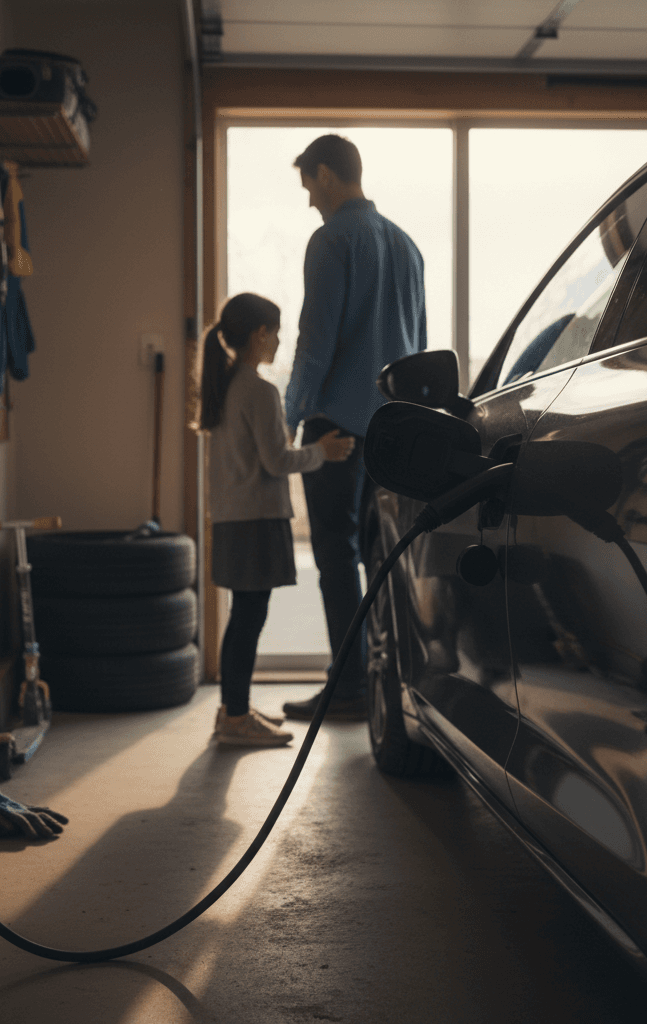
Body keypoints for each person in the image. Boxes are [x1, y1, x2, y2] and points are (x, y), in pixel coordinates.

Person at [282, 134, 427, 722]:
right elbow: (416, 345)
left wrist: (288, 418)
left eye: (309, 188)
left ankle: (345, 691)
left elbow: (316, 342)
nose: (310, 202)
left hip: (335, 431)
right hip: (396, 432)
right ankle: (388, 688)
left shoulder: (332, 239)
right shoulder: (409, 246)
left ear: (326, 175)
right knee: (383, 561)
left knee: (338, 559)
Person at [199, 293, 355, 746]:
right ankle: (234, 719)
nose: (280, 341)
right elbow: (276, 461)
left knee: (244, 615)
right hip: (257, 519)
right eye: (277, 332)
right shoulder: (259, 389)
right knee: (249, 617)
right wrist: (322, 452)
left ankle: (235, 711)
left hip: (232, 519)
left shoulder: (225, 385)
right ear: (259, 334)